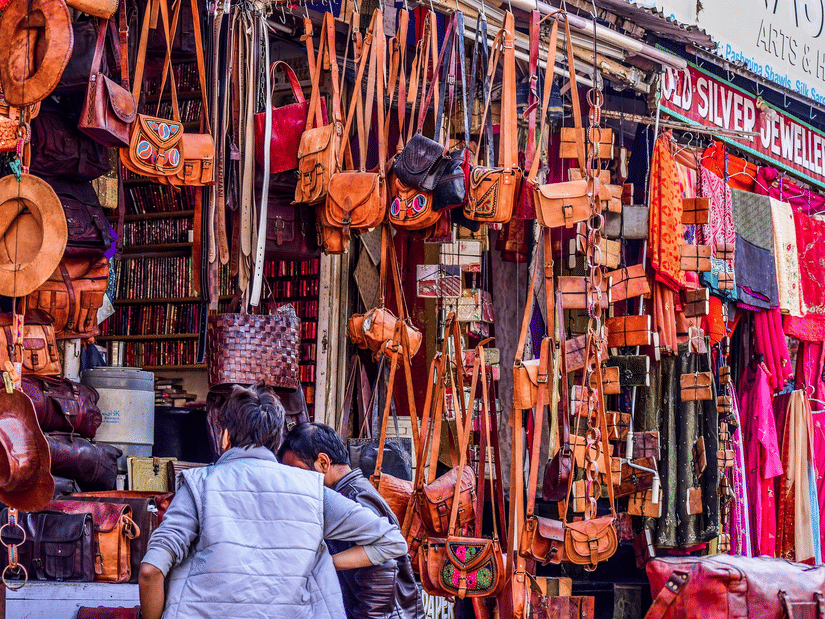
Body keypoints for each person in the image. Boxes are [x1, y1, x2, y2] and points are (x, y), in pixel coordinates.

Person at [139, 384, 408, 619]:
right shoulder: (312, 490)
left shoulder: (199, 484)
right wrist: (324, 563)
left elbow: (151, 571)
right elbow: (391, 541)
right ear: (276, 441)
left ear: (225, 438)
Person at [279, 422, 424, 619]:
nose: (295, 481)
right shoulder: (351, 492)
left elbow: (380, 579)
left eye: (298, 471)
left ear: (323, 462)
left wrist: (325, 563)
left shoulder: (354, 499)